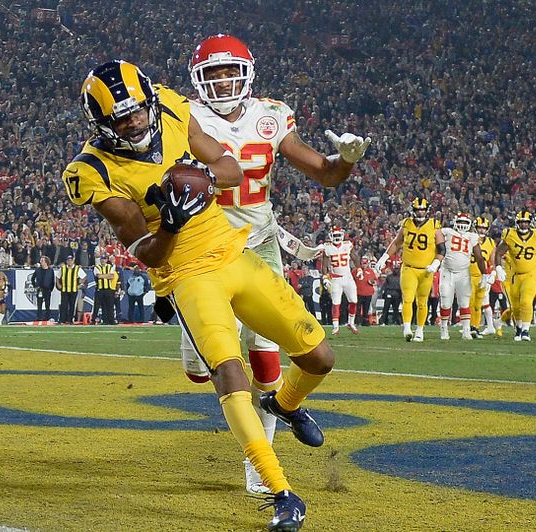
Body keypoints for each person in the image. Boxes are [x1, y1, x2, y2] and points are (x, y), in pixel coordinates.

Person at [64, 59, 337, 530]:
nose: (134, 122)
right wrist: (170, 220)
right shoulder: (93, 170)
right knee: (231, 375)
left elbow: (228, 167)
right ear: (100, 124)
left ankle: (285, 403)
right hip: (186, 273)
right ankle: (281, 493)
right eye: (121, 118)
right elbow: (147, 253)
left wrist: (204, 183)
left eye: (138, 111)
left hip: (233, 252)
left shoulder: (170, 106)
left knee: (320, 359)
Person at [188, 32, 367, 495]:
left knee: (264, 345)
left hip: (259, 240)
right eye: (215, 73)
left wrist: (345, 160)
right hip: (200, 247)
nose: (224, 81)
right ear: (199, 79)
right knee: (198, 365)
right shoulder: (185, 117)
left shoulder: (271, 114)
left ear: (246, 74)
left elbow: (325, 173)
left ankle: (259, 462)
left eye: (232, 71)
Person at [375, 198, 443, 342]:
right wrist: (384, 257)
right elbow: (397, 243)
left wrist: (436, 263)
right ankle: (407, 328)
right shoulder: (406, 223)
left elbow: (442, 248)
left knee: (422, 302)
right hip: (409, 268)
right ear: (413, 210)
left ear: (427, 210)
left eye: (422, 209)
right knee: (407, 299)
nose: (420, 212)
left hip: (426, 269)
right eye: (418, 209)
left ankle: (419, 330)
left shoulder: (434, 225)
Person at [492, 210, 536, 341]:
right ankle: (518, 328)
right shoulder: (510, 235)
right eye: (521, 222)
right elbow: (499, 252)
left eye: (526, 223)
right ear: (517, 223)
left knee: (526, 301)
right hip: (515, 275)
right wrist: (498, 267)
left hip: (531, 274)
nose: (523, 225)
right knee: (516, 306)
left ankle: (526, 331)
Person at [436, 213, 488, 340]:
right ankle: (444, 328)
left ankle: (466, 330)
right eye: (460, 222)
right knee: (446, 301)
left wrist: (484, 274)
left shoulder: (472, 236)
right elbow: (436, 233)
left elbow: (479, 257)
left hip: (463, 273)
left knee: (465, 303)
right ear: (455, 222)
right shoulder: (447, 231)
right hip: (447, 271)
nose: (462, 225)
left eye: (465, 223)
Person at [468, 216, 497, 336]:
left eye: (484, 228)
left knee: (478, 304)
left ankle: (475, 327)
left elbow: (492, 261)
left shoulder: (490, 242)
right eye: (480, 228)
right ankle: (468, 326)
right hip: (468, 275)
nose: (481, 230)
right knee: (469, 303)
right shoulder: (469, 239)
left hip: (482, 276)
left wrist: (493, 273)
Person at [58, 255, 84, 324]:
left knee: (72, 305)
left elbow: (84, 277)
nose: (69, 262)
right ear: (66, 261)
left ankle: (70, 320)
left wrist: (80, 285)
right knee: (64, 305)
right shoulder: (63, 268)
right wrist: (58, 284)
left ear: (73, 261)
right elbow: (57, 277)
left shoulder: (77, 268)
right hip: (65, 289)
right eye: (68, 260)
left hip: (73, 289)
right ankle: (62, 320)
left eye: (71, 260)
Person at [92, 255, 117, 324]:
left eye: (104, 259)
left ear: (106, 260)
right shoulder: (96, 267)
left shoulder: (110, 266)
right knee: (97, 306)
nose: (103, 260)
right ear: (100, 260)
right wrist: (107, 275)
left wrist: (103, 275)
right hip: (100, 289)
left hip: (108, 289)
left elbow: (112, 277)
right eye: (102, 259)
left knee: (109, 306)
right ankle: (93, 320)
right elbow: (98, 276)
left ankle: (110, 320)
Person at [353, 257, 378, 326]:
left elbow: (375, 281)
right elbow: (351, 280)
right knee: (357, 308)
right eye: (363, 263)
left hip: (368, 293)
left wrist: (372, 282)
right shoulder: (355, 271)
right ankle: (357, 321)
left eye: (365, 263)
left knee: (366, 309)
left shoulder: (370, 271)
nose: (364, 265)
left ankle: (365, 321)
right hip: (358, 292)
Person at [33, 256, 55, 321]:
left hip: (47, 289)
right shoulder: (38, 270)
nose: (40, 262)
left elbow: (52, 280)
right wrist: (35, 286)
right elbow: (33, 278)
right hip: (40, 289)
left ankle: (46, 317)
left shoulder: (50, 270)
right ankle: (39, 317)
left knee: (47, 305)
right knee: (39, 304)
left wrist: (50, 289)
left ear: (46, 262)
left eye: (42, 260)